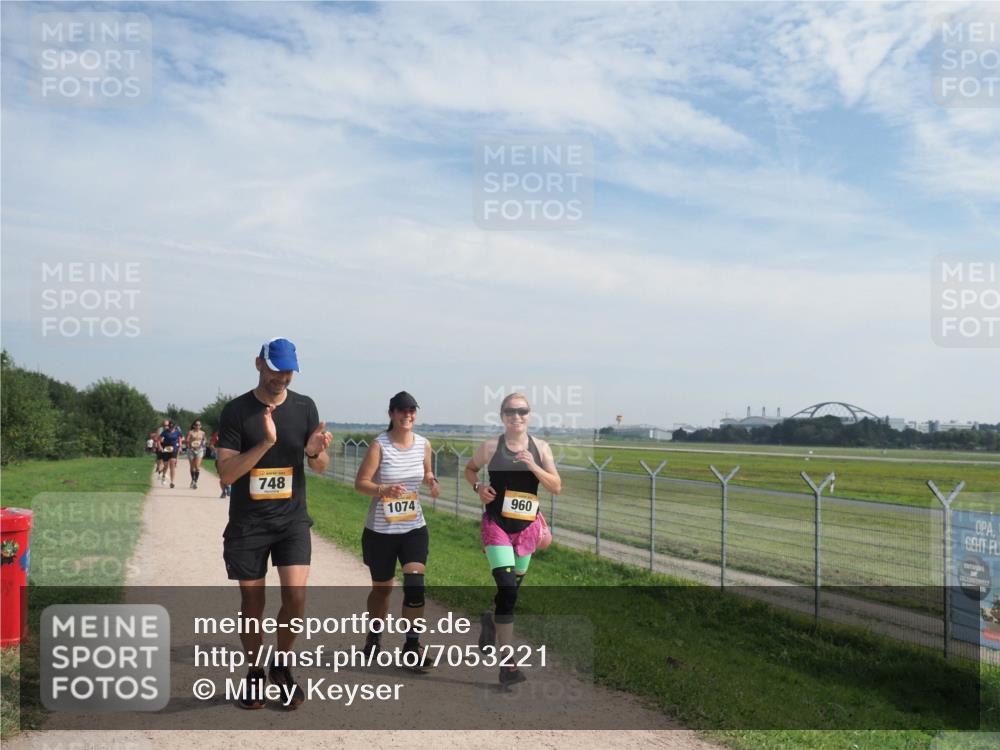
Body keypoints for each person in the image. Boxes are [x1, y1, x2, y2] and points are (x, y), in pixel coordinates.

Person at [215, 338, 332, 710]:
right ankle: (254, 673)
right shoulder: (236, 412)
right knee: (252, 603)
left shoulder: (305, 407)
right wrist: (266, 443)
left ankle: (281, 665)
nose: (282, 377)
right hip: (249, 525)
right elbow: (227, 475)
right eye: (276, 368)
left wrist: (314, 451)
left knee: (296, 598)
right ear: (258, 364)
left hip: (292, 521)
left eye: (288, 370)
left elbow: (320, 465)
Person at [464, 392, 561, 687]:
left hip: (527, 529)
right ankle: (508, 665)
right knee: (507, 589)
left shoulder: (541, 448)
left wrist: (533, 464)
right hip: (497, 525)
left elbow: (556, 486)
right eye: (510, 411)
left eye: (521, 411)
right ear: (502, 415)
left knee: (511, 593)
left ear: (529, 415)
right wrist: (479, 486)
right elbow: (470, 470)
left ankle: (491, 620)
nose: (516, 416)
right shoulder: (491, 446)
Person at [353, 391, 440, 672]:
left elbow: (426, 472)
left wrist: (430, 479)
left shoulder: (424, 444)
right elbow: (360, 483)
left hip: (413, 527)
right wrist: (383, 490)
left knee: (415, 585)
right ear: (391, 414)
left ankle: (412, 646)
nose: (407, 415)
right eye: (401, 411)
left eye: (412, 410)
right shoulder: (380, 445)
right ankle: (374, 636)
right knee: (382, 590)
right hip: (380, 531)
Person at [158, 420, 183, 488]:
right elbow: (159, 440)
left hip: (174, 449)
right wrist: (160, 447)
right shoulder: (165, 432)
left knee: (172, 465)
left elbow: (180, 439)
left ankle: (172, 482)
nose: (170, 428)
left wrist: (180, 446)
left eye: (172, 427)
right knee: (166, 466)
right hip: (166, 450)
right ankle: (163, 476)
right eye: (169, 427)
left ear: (174, 426)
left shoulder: (177, 432)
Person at [186, 420, 207, 489]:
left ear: (201, 426)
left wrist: (203, 444)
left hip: (199, 450)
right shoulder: (190, 432)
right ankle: (193, 480)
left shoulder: (203, 433)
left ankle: (195, 481)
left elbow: (204, 440)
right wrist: (190, 446)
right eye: (196, 425)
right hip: (191, 450)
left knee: (197, 467)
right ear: (194, 425)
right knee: (192, 467)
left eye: (199, 425)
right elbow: (187, 440)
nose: (198, 426)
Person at [211, 430, 230, 498]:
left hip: (230, 458)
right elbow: (212, 444)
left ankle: (227, 488)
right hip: (219, 459)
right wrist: (215, 450)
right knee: (222, 476)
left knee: (229, 475)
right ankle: (224, 490)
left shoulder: (233, 433)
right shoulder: (217, 434)